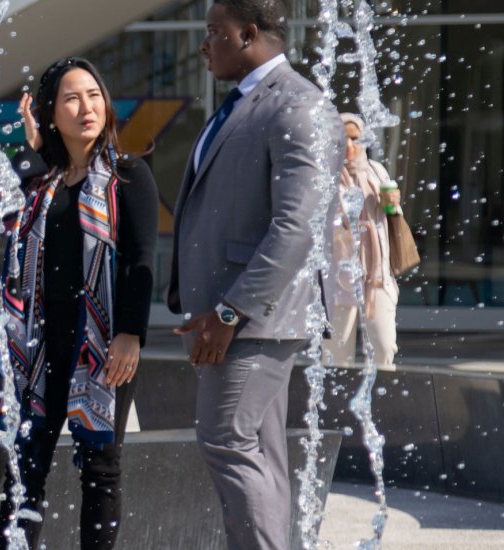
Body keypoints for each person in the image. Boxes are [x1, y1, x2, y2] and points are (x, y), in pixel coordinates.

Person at [167, 1, 342, 548]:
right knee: (260, 452)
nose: (204, 44)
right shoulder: (242, 104)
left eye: (214, 33)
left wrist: (229, 310)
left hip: (255, 316)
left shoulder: (299, 105)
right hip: (238, 312)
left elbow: (298, 227)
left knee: (226, 440)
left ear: (247, 35)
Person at [0, 57, 159, 550]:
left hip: (104, 342)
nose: (87, 107)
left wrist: (130, 333)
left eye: (95, 95)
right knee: (26, 464)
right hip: (37, 345)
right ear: (51, 113)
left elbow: (142, 257)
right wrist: (31, 150)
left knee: (100, 466)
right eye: (72, 98)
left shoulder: (128, 174)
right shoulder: (41, 179)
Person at [323, 113, 401, 371]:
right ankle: (337, 411)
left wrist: (394, 207)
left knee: (384, 348)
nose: (348, 146)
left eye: (354, 139)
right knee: (336, 357)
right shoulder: (324, 177)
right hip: (339, 279)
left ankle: (385, 409)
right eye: (341, 139)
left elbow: (388, 222)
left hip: (376, 275)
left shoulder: (377, 171)